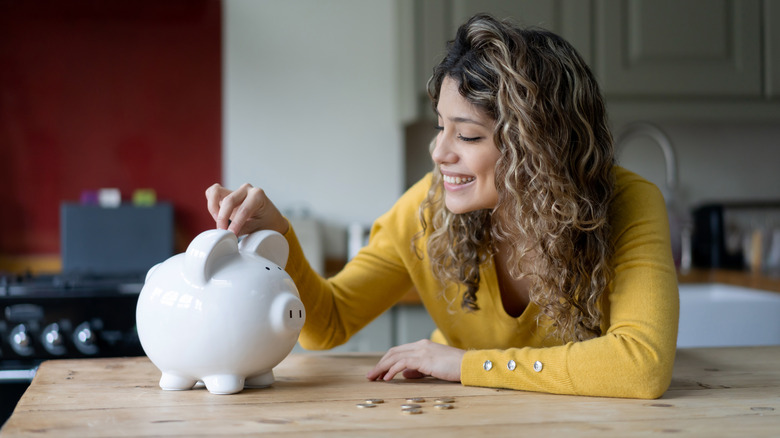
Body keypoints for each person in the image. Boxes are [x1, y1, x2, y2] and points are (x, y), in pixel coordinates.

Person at [205, 14, 679, 399]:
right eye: (441, 127)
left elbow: (640, 367)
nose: (439, 152)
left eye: (468, 135)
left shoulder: (628, 204)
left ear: (540, 147)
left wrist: (468, 365)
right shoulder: (424, 211)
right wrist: (279, 232)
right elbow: (326, 324)